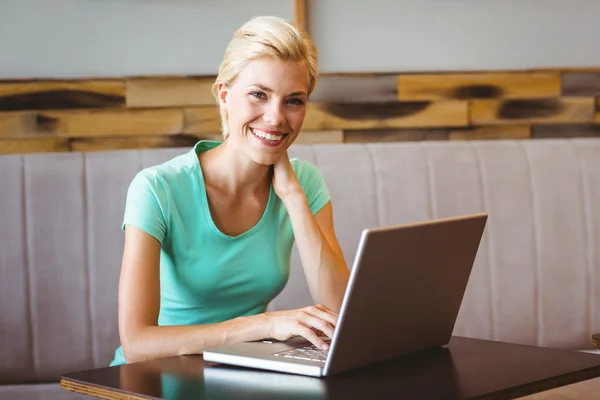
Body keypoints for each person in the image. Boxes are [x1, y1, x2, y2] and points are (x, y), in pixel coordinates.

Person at [110, 15, 350, 366]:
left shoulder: (304, 183)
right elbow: (137, 342)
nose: (275, 117)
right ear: (224, 95)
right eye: (258, 95)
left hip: (239, 373)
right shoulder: (157, 189)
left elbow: (341, 310)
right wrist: (265, 324)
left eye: (293, 101)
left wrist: (293, 197)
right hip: (150, 379)